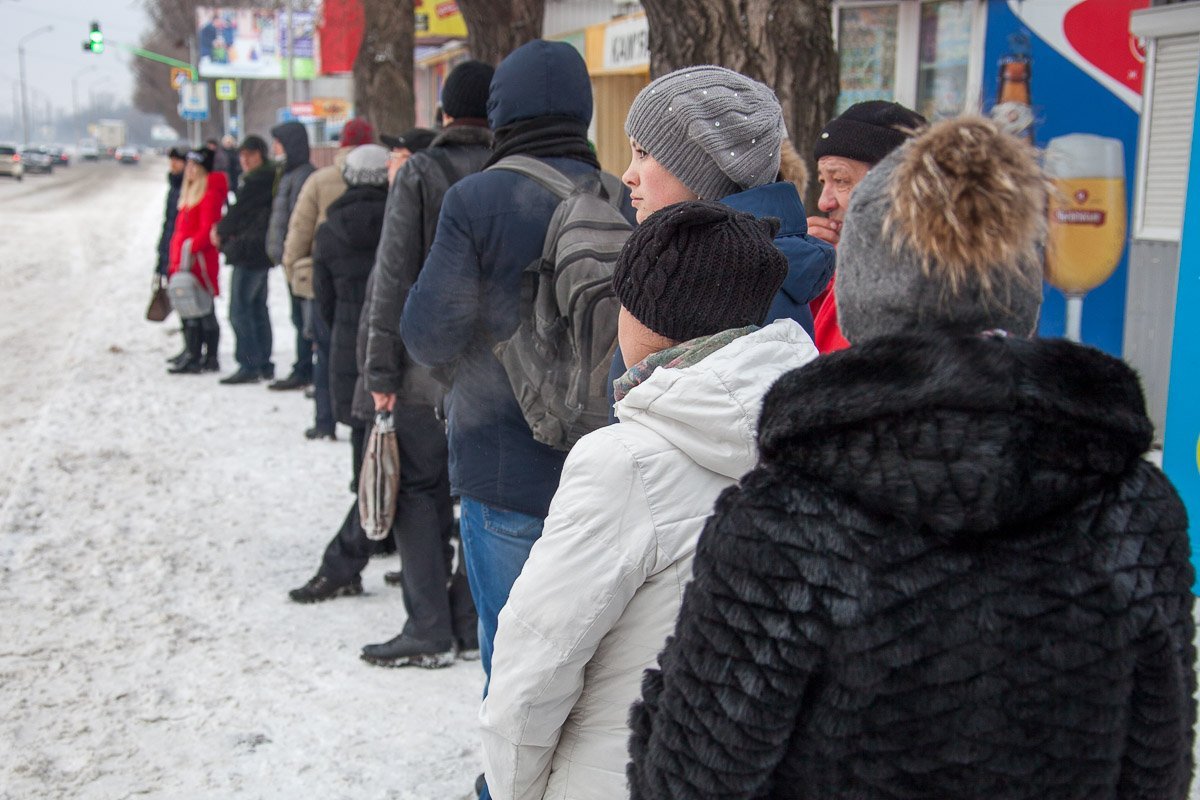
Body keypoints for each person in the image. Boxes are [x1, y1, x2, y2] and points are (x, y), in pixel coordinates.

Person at [626, 117, 1196, 800]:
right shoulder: (1133, 507)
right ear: (1022, 289)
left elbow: (691, 781)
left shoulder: (787, 518)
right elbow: (1156, 768)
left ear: (863, 291)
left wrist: (666, 696)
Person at [481, 201, 818, 800]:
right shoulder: (812, 436)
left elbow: (536, 664)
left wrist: (514, 791)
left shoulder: (624, 462)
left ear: (648, 314)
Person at [400, 40, 635, 689]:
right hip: (606, 478)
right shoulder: (623, 200)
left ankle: (505, 789)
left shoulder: (476, 201)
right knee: (591, 670)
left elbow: (428, 336)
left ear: (503, 111)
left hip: (503, 474)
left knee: (514, 671)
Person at [355, 60, 495, 668]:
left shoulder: (420, 172)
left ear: (443, 113)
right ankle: (467, 620)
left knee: (418, 492)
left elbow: (392, 282)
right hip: (494, 377)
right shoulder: (510, 171)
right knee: (479, 500)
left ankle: (428, 627)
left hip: (419, 372)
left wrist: (379, 375)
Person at [608, 65, 835, 401]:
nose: (628, 175)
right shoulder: (707, 264)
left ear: (703, 172)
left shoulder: (736, 283)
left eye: (643, 153)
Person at [281, 117, 377, 439]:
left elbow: (299, 231)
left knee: (326, 354)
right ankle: (363, 421)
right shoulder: (386, 178)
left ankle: (325, 420)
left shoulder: (321, 180)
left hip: (325, 281)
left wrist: (292, 271)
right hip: (369, 285)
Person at [807, 100, 926, 353]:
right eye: (822, 181)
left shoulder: (920, 288)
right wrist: (806, 275)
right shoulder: (839, 268)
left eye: (840, 180)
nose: (824, 202)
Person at [214, 135, 276, 384]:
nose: (245, 160)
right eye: (242, 155)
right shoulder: (267, 178)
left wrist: (220, 230)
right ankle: (263, 363)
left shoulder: (258, 180)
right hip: (261, 253)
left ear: (261, 155)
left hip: (250, 253)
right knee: (258, 308)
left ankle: (249, 364)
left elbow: (238, 212)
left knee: (240, 310)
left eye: (250, 155)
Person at [167, 148, 229, 374]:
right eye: (189, 166)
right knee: (190, 308)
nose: (189, 170)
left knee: (204, 308)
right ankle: (193, 352)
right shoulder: (189, 191)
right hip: (185, 260)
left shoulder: (209, 192)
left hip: (199, 260)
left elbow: (208, 228)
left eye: (195, 166)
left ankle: (207, 356)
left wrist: (189, 248)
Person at [265, 121, 316, 391]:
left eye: (279, 142)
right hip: (289, 259)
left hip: (299, 261)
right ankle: (304, 365)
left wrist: (292, 255)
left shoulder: (303, 176)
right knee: (298, 317)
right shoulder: (289, 173)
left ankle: (305, 368)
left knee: (303, 318)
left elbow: (300, 222)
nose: (276, 147)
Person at [158, 147, 189, 368]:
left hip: (181, 251)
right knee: (181, 301)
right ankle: (189, 347)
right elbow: (168, 224)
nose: (173, 165)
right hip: (171, 247)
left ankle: (195, 350)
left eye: (177, 161)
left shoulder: (186, 187)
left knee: (189, 301)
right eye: (172, 161)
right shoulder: (175, 185)